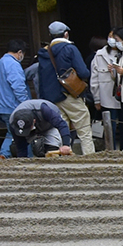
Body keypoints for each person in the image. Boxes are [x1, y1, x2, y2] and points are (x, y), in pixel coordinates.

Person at [36, 21, 95, 156]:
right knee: (84, 129)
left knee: (62, 131)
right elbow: (83, 72)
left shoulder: (44, 53)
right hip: (70, 94)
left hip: (52, 98)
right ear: (66, 34)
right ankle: (90, 157)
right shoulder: (70, 49)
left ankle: (63, 159)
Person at [0, 40, 29, 158]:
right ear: (19, 52)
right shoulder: (13, 64)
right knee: (17, 132)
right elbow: (18, 86)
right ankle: (4, 154)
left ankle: (5, 154)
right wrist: (26, 103)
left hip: (0, 105)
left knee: (11, 132)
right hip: (12, 105)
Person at [7, 96, 74, 158]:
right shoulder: (13, 122)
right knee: (16, 148)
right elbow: (21, 147)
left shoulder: (45, 110)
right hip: (33, 128)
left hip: (49, 125)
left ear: (34, 121)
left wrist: (66, 144)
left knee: (52, 149)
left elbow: (62, 125)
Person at [87, 33, 120, 149]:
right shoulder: (99, 55)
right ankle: (111, 149)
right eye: (110, 37)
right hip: (107, 97)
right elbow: (94, 79)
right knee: (110, 125)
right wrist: (96, 98)